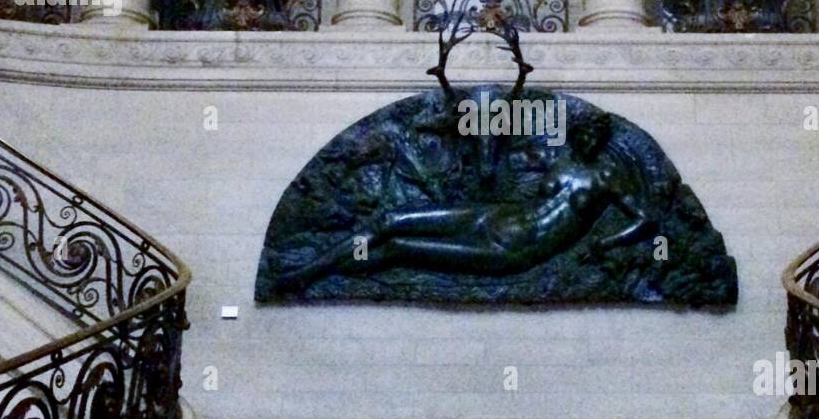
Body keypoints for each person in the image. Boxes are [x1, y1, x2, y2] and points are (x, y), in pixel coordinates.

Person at [270, 110, 657, 291]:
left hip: (515, 250)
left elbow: (646, 220)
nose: (589, 140)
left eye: (596, 136)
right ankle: (309, 270)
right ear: (577, 134)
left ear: (602, 141)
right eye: (584, 134)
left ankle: (322, 273)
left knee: (398, 249)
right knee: (388, 221)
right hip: (495, 217)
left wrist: (605, 242)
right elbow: (502, 138)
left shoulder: (606, 176)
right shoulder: (555, 162)